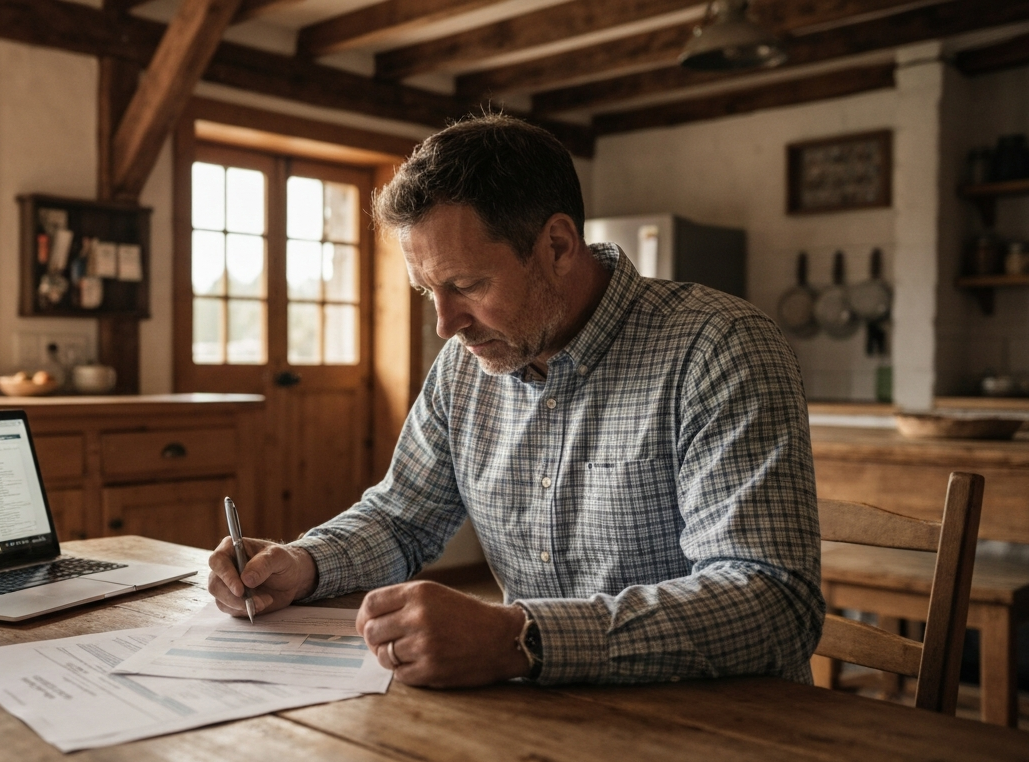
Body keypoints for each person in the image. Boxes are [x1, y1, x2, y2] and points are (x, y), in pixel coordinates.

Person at [207, 113, 823, 689]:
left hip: (721, 722)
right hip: (540, 715)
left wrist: (522, 638)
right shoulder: (464, 367)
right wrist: (303, 564)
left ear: (557, 246)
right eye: (428, 293)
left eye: (468, 285)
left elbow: (771, 601)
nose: (446, 325)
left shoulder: (720, 349)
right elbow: (401, 519)